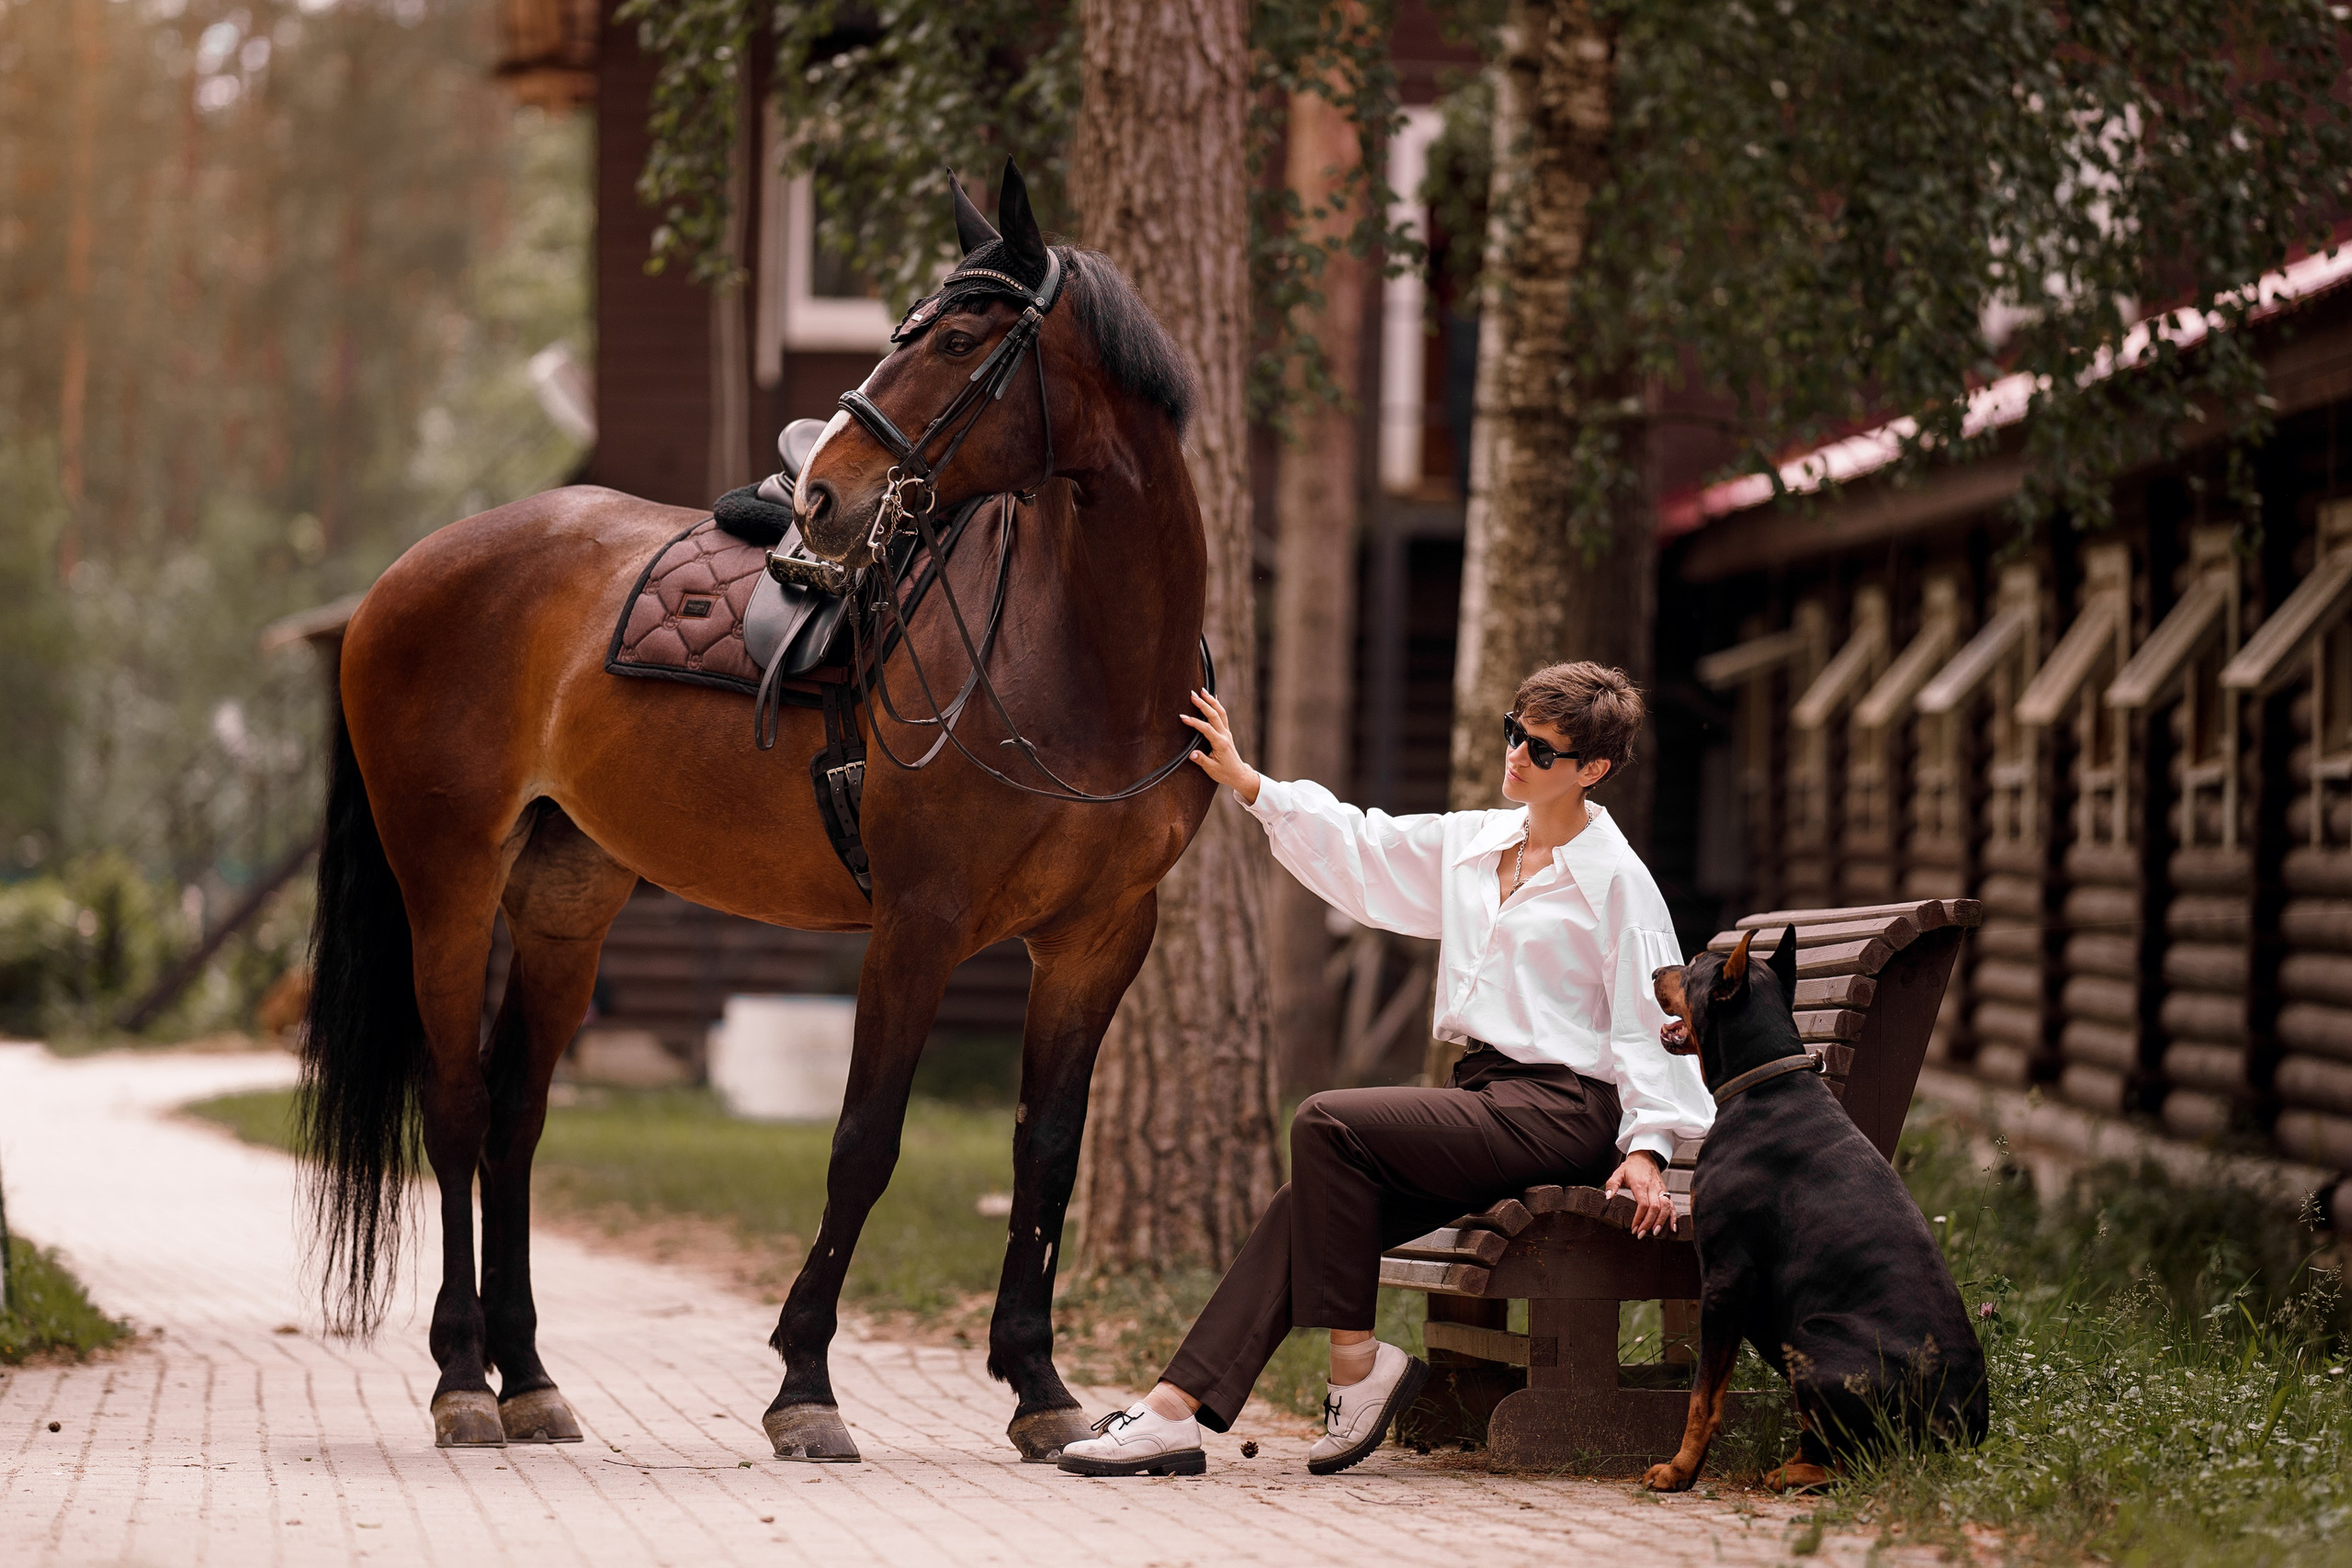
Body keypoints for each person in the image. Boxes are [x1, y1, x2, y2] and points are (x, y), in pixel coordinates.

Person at [1058, 661, 1713, 1479]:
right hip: (1486, 1100)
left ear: (1592, 769)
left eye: (1539, 750)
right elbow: (1364, 845)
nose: (1515, 755)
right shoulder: (1482, 844)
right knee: (1312, 1203)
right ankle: (1172, 1412)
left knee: (1327, 1122)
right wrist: (1250, 782)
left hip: (1565, 1111)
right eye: (1513, 730)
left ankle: (1357, 1365)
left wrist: (1649, 1147)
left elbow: (1654, 1018)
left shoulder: (1617, 880)